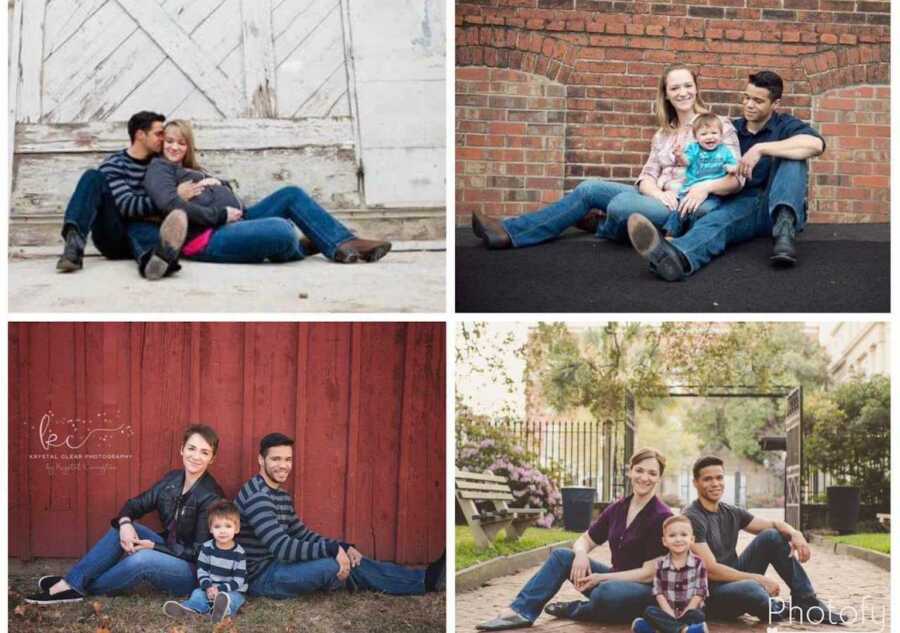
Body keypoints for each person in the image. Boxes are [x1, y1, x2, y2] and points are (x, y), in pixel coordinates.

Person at [470, 65, 740, 252]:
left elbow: (736, 178)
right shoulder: (662, 134)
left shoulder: (718, 125)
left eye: (688, 85)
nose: (683, 92)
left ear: (696, 88)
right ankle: (509, 232)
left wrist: (703, 187)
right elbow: (646, 176)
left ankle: (605, 226)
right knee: (589, 188)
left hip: (686, 205)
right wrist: (656, 193)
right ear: (666, 94)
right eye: (675, 88)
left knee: (621, 205)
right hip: (658, 199)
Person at [627, 70, 826, 280]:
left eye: (758, 101)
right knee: (717, 222)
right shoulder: (731, 128)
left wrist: (761, 149)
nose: (749, 105)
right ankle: (677, 258)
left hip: (778, 204)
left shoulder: (785, 125)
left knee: (794, 157)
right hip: (745, 204)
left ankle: (784, 232)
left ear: (775, 104)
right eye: (746, 98)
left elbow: (816, 145)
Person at [143, 120, 392, 265]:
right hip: (208, 236)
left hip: (239, 219)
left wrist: (219, 185)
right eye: (170, 141)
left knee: (291, 194)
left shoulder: (191, 169)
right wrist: (219, 215)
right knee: (281, 229)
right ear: (162, 143)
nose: (175, 147)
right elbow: (169, 204)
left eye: (181, 142)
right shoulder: (159, 168)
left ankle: (343, 244)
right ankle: (302, 247)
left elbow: (219, 190)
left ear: (189, 146)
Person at [476, 448, 673, 631]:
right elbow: (585, 539)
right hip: (611, 580)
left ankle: (576, 609)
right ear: (630, 472)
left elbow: (648, 574)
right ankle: (520, 611)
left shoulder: (661, 516)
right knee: (562, 556)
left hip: (643, 590)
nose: (644, 478)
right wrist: (580, 554)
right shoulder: (618, 508)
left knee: (606, 593)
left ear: (659, 478)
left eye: (652, 473)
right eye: (639, 470)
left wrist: (601, 578)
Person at [25, 425, 225, 604]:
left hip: (194, 572)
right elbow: (135, 505)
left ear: (212, 458)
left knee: (143, 559)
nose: (196, 456)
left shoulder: (211, 497)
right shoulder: (172, 480)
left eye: (204, 452)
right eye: (191, 448)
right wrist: (125, 522)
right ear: (182, 449)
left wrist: (155, 546)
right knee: (122, 528)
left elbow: (199, 553)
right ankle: (73, 584)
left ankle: (73, 586)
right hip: (169, 549)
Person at [235, 433, 445, 599]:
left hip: (278, 565)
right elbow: (283, 547)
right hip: (262, 578)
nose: (283, 465)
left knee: (347, 557)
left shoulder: (278, 494)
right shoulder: (258, 497)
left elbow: (301, 534)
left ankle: (425, 578)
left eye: (288, 459)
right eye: (276, 459)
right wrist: (332, 550)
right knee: (335, 564)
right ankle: (424, 580)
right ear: (261, 460)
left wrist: (340, 546)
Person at [684, 455, 845, 625]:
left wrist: (795, 533)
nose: (715, 483)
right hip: (711, 595)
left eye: (719, 477)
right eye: (708, 479)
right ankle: (774, 608)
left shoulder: (730, 511)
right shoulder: (692, 517)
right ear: (696, 483)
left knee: (772, 536)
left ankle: (806, 603)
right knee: (752, 589)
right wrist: (758, 579)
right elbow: (710, 570)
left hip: (734, 581)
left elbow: (774, 525)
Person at [55, 110, 189, 281]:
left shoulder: (160, 163)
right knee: (92, 177)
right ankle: (73, 247)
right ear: (140, 135)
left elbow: (190, 171)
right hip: (113, 235)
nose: (163, 138)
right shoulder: (114, 164)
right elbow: (127, 206)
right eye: (158, 134)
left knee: (142, 229)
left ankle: (155, 262)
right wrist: (171, 197)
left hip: (144, 232)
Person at [163, 500, 247, 624]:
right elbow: (202, 570)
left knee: (233, 599)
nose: (222, 531)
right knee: (197, 593)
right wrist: (208, 587)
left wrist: (220, 589)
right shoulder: (207, 548)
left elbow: (239, 580)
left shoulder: (239, 553)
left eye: (228, 526)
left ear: (237, 528)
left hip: (231, 590)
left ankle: (222, 611)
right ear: (211, 529)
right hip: (210, 589)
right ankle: (189, 608)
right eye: (217, 526)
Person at [662, 113, 738, 239]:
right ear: (696, 137)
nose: (710, 137)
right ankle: (670, 234)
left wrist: (731, 168)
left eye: (714, 133)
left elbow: (732, 165)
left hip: (714, 192)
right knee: (681, 210)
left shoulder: (724, 150)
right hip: (691, 189)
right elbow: (686, 161)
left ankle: (691, 236)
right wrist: (679, 155)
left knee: (706, 210)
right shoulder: (694, 148)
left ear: (721, 135)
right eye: (704, 134)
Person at [631, 515, 709, 633]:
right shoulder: (660, 564)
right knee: (649, 611)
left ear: (692, 539)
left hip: (690, 611)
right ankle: (684, 630)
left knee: (698, 615)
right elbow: (658, 593)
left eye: (684, 535)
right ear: (664, 541)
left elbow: (700, 592)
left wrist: (686, 611)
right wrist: (670, 614)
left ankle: (654, 629)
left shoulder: (699, 563)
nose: (678, 539)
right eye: (672, 535)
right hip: (667, 611)